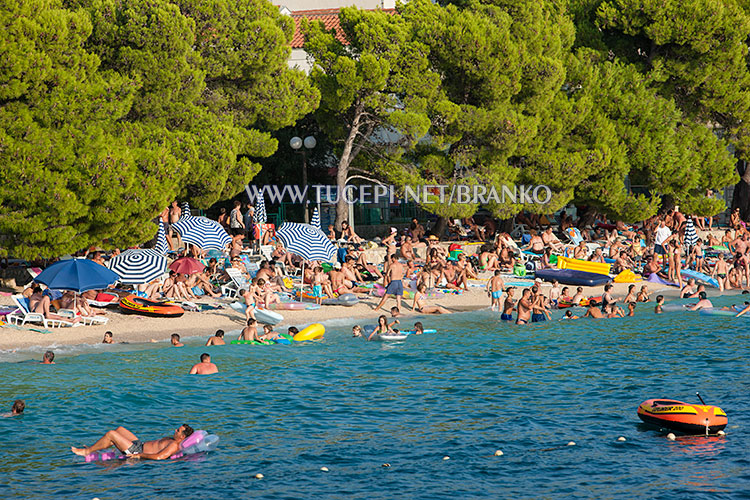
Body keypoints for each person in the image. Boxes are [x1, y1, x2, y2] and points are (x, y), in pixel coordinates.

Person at [72, 424, 195, 460]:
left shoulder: (174, 445)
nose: (175, 430)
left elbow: (159, 457)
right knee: (120, 429)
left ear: (182, 436)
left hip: (137, 451)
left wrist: (139, 455)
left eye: (178, 431)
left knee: (111, 434)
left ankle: (87, 451)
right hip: (139, 445)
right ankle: (97, 447)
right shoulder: (172, 439)